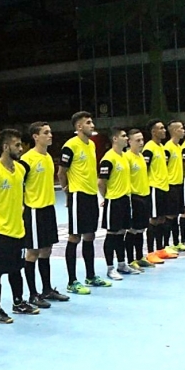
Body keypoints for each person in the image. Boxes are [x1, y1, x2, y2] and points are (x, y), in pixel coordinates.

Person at [0, 129, 39, 323]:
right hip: (0, 230)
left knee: (16, 269)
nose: (21, 149)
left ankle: (18, 302)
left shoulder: (21, 169)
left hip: (18, 229)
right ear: (6, 147)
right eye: (17, 145)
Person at [58, 111, 112, 293]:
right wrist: (67, 192)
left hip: (90, 196)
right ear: (79, 126)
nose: (92, 125)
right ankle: (72, 281)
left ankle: (90, 276)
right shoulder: (70, 146)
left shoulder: (90, 145)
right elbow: (61, 172)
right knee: (75, 237)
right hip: (78, 195)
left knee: (90, 235)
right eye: (88, 122)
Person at [21, 122, 69, 306]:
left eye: (50, 132)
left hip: (48, 209)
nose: (50, 135)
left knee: (46, 250)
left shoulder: (48, 157)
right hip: (33, 210)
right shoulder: (27, 159)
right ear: (35, 136)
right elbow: (19, 185)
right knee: (32, 252)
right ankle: (33, 294)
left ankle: (46, 290)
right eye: (46, 132)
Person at [98, 127, 133, 280]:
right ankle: (110, 268)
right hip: (113, 200)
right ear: (115, 139)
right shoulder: (108, 158)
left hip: (125, 199)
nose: (127, 138)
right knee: (112, 234)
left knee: (122, 233)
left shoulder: (124, 157)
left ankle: (121, 264)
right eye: (124, 136)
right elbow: (101, 182)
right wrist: (107, 198)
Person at [143, 119, 175, 262]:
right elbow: (144, 168)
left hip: (164, 187)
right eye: (161, 128)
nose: (164, 130)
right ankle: (150, 253)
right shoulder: (149, 148)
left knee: (162, 219)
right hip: (154, 187)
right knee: (154, 220)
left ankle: (161, 250)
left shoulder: (161, 147)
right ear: (153, 132)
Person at [124, 128, 153, 271]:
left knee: (141, 229)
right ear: (129, 142)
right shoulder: (126, 158)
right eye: (138, 140)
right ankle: (130, 260)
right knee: (132, 230)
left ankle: (140, 257)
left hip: (145, 196)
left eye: (142, 139)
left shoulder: (141, 157)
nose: (141, 143)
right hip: (134, 197)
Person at [163, 120, 185, 251]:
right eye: (181, 128)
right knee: (169, 216)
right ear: (174, 131)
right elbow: (163, 166)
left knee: (176, 214)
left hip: (179, 185)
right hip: (170, 185)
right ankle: (166, 244)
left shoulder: (179, 147)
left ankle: (176, 242)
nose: (184, 131)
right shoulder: (167, 148)